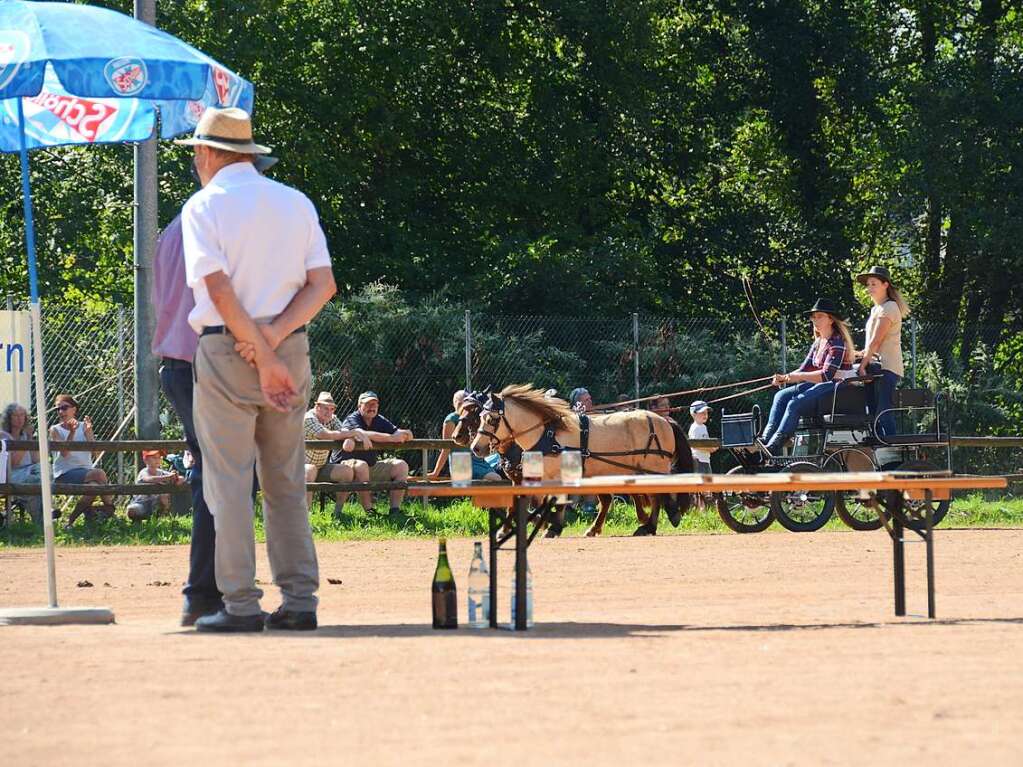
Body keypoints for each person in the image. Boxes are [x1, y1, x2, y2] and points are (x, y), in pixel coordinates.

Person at [178, 106, 336, 632]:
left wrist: (257, 351)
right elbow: (322, 285)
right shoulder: (295, 202)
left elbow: (217, 289)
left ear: (206, 154)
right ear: (248, 152)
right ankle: (300, 601)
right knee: (286, 481)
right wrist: (272, 344)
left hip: (229, 353)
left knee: (227, 483)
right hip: (289, 347)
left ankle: (240, 605)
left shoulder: (205, 207)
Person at [153, 146, 278, 626]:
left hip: (177, 362)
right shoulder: (217, 224)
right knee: (228, 478)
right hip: (210, 358)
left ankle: (206, 591)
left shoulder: (175, 226)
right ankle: (208, 593)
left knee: (217, 474)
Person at [758, 298, 856, 455]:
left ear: (830, 319)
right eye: (813, 317)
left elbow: (826, 375)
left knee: (794, 404)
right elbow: (805, 368)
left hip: (838, 387)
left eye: (820, 316)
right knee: (780, 396)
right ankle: (765, 439)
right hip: (823, 385)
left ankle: (775, 445)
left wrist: (797, 376)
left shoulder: (837, 342)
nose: (815, 320)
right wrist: (785, 377)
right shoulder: (818, 342)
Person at [336, 392, 414, 514]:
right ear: (359, 406)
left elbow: (397, 433)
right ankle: (370, 512)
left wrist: (405, 434)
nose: (372, 407)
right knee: (362, 466)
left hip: (370, 466)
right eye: (367, 404)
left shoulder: (379, 419)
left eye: (375, 404)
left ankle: (395, 510)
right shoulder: (352, 419)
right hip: (346, 466)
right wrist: (391, 438)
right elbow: (359, 433)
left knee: (401, 465)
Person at [855, 266, 910, 438]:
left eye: (874, 284)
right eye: (868, 285)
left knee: (883, 412)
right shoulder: (876, 310)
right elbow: (873, 343)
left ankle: (894, 453)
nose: (869, 288)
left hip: (886, 368)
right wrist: (858, 354)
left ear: (886, 285)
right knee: (873, 413)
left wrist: (862, 365)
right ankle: (880, 453)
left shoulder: (890, 307)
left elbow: (876, 341)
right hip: (875, 367)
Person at [49, 394, 116, 527]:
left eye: (64, 408)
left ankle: (70, 521)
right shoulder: (55, 429)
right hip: (65, 473)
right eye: (58, 409)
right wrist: (72, 433)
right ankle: (111, 511)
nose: (61, 412)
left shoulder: (84, 426)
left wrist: (89, 432)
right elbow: (65, 453)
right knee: (99, 473)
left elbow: (96, 453)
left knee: (94, 487)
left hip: (86, 473)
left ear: (74, 409)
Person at [303, 391, 374, 511]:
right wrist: (354, 432)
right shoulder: (308, 418)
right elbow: (325, 434)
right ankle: (306, 514)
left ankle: (338, 512)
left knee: (347, 472)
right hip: (300, 467)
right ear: (317, 407)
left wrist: (355, 435)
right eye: (325, 408)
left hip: (322, 466)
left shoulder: (332, 418)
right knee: (310, 469)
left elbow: (343, 431)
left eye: (332, 409)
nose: (329, 412)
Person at [428, 390, 502, 482]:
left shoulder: (474, 417)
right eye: (460, 402)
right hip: (461, 461)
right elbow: (446, 447)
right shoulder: (451, 419)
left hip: (479, 460)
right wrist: (436, 472)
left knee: (499, 478)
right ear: (455, 404)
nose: (463, 405)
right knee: (496, 479)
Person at [1, 402, 43, 524]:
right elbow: (14, 462)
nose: (20, 419)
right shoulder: (4, 435)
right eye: (16, 415)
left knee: (44, 473)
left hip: (30, 472)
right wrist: (25, 441)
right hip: (12, 473)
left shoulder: (26, 435)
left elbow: (36, 460)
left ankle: (42, 520)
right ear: (9, 418)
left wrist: (30, 438)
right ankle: (41, 520)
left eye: (22, 415)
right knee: (34, 483)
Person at [126, 450, 185, 521]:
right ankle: (138, 520)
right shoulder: (144, 472)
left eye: (159, 457)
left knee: (163, 496)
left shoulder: (161, 472)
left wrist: (177, 478)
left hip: (155, 504)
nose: (157, 460)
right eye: (154, 458)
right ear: (146, 460)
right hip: (141, 503)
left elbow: (180, 478)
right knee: (131, 510)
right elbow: (149, 479)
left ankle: (159, 517)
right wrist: (167, 477)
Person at [687, 400, 717, 474]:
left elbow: (705, 441)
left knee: (708, 483)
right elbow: (695, 445)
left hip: (706, 460)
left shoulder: (703, 427)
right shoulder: (695, 427)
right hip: (698, 461)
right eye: (702, 413)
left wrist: (713, 446)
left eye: (706, 413)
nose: (705, 415)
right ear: (693, 414)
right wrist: (709, 449)